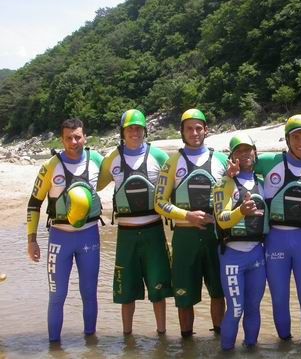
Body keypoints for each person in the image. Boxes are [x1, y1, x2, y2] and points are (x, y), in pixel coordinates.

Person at [229, 114, 301, 344]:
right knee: (279, 299)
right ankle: (285, 346)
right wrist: (230, 172)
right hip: (275, 242)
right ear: (287, 139)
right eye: (296, 137)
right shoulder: (269, 162)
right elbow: (241, 164)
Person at [26, 118, 103, 342]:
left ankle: (91, 344)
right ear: (62, 139)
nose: (73, 142)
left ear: (85, 137)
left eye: (77, 136)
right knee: (57, 296)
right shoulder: (51, 165)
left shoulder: (97, 160)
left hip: (89, 236)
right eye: (68, 138)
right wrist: (32, 240)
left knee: (89, 294)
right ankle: (54, 347)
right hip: (59, 239)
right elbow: (34, 203)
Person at [98, 109, 173, 335]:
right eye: (130, 129)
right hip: (126, 234)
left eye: (138, 128)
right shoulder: (113, 158)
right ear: (122, 132)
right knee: (126, 292)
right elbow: (95, 184)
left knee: (158, 290)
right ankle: (127, 338)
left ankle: (162, 335)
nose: (134, 132)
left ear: (145, 131)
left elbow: (176, 185)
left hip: (154, 232)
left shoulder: (159, 156)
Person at [154, 108, 227, 338]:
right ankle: (187, 345)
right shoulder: (172, 162)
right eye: (189, 128)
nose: (194, 132)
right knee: (184, 296)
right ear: (182, 132)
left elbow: (234, 196)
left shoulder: (222, 160)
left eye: (199, 128)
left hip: (215, 236)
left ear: (206, 130)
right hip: (185, 238)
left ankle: (220, 341)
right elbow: (159, 202)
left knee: (218, 292)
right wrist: (187, 216)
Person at [213, 133, 268, 350]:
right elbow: (222, 220)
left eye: (248, 150)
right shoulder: (223, 184)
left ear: (255, 152)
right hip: (232, 256)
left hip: (257, 254)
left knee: (253, 307)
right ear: (232, 156)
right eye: (239, 151)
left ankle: (251, 349)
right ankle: (226, 352)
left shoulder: (262, 182)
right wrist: (240, 212)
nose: (245, 154)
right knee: (235, 309)